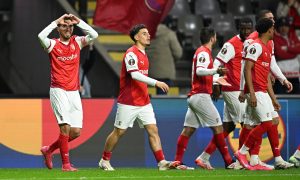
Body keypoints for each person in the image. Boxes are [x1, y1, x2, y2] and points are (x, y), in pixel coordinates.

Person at [98, 24, 171, 171]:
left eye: (148, 33)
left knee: (153, 129)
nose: (148, 35)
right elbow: (135, 74)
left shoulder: (144, 54)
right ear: (136, 37)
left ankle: (161, 162)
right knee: (119, 131)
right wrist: (156, 82)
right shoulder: (131, 53)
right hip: (129, 101)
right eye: (144, 33)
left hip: (144, 101)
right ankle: (104, 160)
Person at [38, 14, 98, 171]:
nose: (68, 29)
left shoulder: (77, 42)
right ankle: (65, 165)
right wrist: (56, 21)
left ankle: (49, 149)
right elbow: (40, 36)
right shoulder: (52, 44)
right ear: (58, 28)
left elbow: (94, 35)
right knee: (65, 128)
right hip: (58, 90)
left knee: (76, 132)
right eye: (64, 26)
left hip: (74, 92)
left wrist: (79, 22)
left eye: (71, 26)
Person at [171, 27, 238, 170]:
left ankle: (177, 161)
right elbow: (199, 71)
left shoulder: (203, 52)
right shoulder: (203, 52)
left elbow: (203, 72)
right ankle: (229, 161)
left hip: (196, 96)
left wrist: (216, 80)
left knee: (188, 130)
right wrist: (216, 70)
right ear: (213, 38)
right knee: (218, 127)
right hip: (200, 96)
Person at [194, 18, 254, 170]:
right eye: (243, 28)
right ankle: (241, 161)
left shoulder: (252, 43)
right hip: (232, 89)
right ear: (237, 28)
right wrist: (215, 83)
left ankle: (204, 157)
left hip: (240, 89)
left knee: (228, 127)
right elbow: (217, 64)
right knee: (246, 123)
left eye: (249, 29)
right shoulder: (231, 45)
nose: (246, 32)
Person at [239, 10, 294, 170]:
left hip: (262, 88)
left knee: (256, 123)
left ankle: (257, 159)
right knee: (265, 122)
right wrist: (247, 91)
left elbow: (269, 68)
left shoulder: (269, 43)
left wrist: (281, 82)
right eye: (271, 21)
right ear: (267, 26)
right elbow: (246, 67)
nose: (274, 24)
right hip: (254, 90)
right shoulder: (253, 43)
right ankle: (242, 154)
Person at [147, 17, 183, 95]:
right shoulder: (169, 34)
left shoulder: (146, 34)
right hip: (165, 72)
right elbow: (178, 53)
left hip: (149, 71)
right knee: (162, 97)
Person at [273, 16, 300, 94]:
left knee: (297, 100)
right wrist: (293, 52)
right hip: (281, 76)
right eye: (281, 26)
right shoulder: (274, 38)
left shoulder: (293, 36)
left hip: (295, 75)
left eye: (286, 26)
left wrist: (287, 48)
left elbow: (299, 49)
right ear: (278, 27)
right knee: (282, 100)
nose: (284, 28)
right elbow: (280, 54)